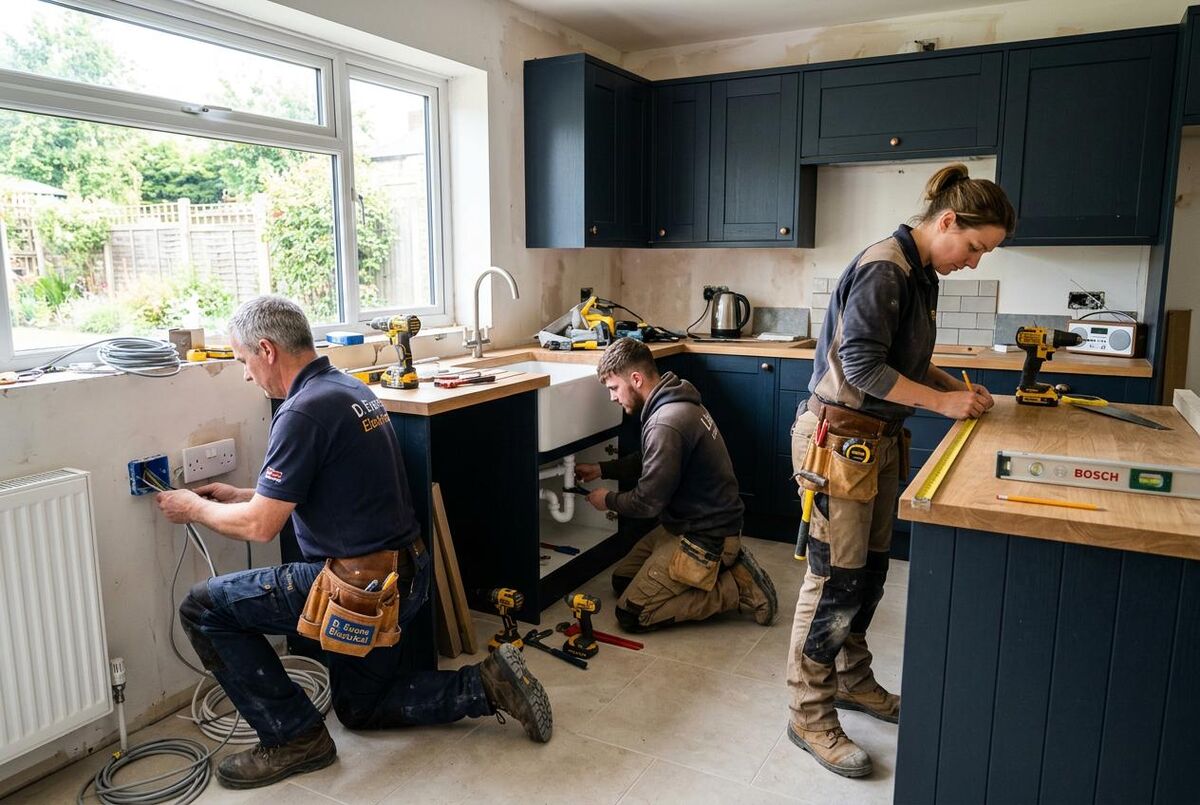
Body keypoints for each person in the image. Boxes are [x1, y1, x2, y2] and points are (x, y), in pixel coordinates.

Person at [155, 295, 552, 790]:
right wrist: (243, 494)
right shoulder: (346, 388)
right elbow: (316, 487)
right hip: (404, 577)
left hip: (358, 591)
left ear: (267, 349)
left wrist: (192, 508)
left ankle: (293, 738)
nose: (245, 375)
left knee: (203, 609)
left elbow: (261, 527)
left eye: (242, 361)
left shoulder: (301, 411)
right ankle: (488, 683)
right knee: (361, 707)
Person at [785, 164, 1014, 778]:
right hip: (838, 442)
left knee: (869, 575)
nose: (974, 262)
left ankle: (854, 682)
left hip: (876, 441)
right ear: (946, 221)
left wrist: (950, 386)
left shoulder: (921, 272)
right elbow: (859, 365)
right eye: (974, 247)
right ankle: (808, 712)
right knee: (834, 580)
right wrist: (942, 402)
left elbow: (901, 359)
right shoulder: (886, 267)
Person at [575, 337, 778, 632]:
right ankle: (714, 571)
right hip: (688, 524)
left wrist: (606, 500)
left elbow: (647, 503)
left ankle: (734, 587)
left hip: (707, 537)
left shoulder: (666, 422)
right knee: (622, 581)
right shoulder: (673, 403)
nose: (612, 398)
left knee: (632, 615)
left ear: (635, 378)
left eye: (614, 388)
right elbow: (648, 461)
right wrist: (601, 468)